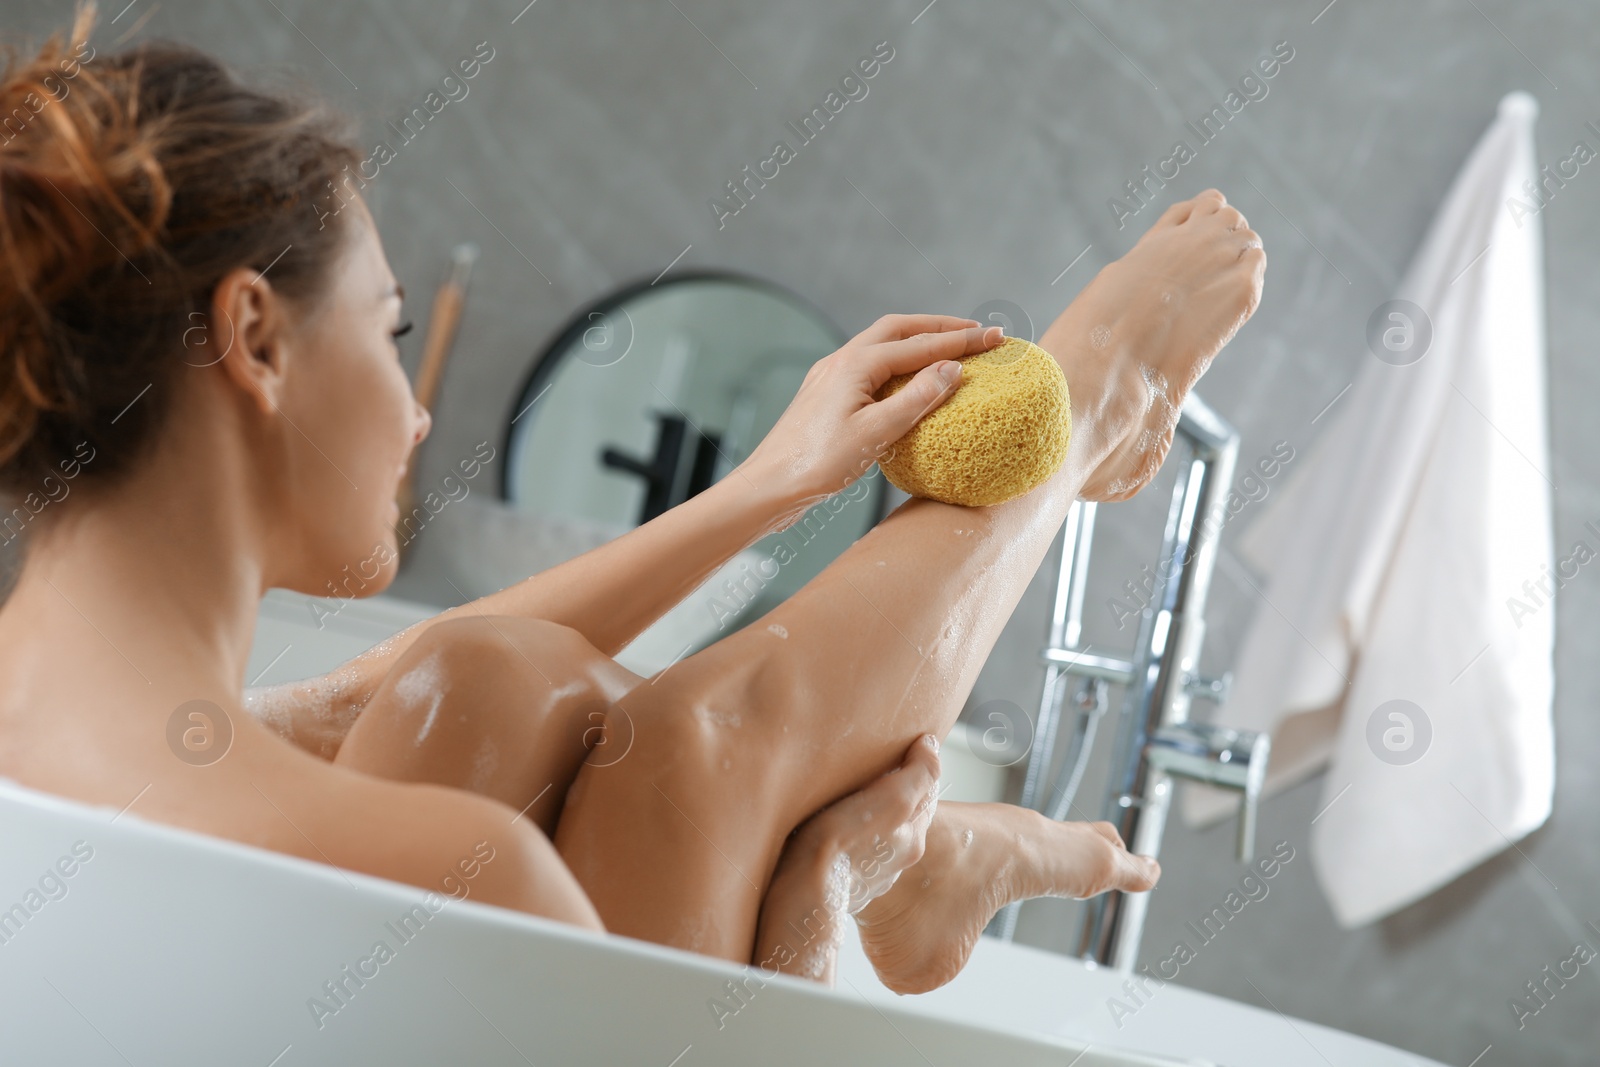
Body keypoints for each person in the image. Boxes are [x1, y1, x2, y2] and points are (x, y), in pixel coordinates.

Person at [0, 6, 1265, 995]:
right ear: (258, 344)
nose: (416, 407)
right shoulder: (468, 881)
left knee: (479, 676)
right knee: (697, 752)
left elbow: (340, 700)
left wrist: (769, 487)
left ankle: (937, 833)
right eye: (391, 332)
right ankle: (1086, 405)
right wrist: (823, 882)